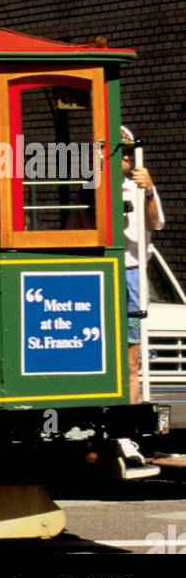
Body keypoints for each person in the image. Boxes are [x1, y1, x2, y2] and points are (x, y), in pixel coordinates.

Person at [121, 125, 164, 404]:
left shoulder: (140, 185)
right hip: (101, 273)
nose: (123, 161)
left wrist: (148, 191)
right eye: (119, 155)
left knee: (131, 359)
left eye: (127, 155)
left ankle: (128, 421)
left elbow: (153, 223)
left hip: (133, 272)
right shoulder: (94, 184)